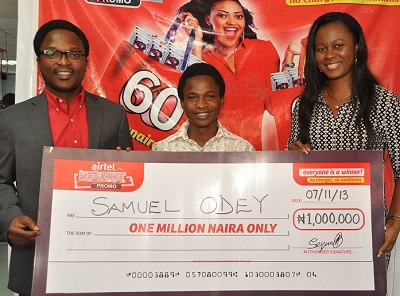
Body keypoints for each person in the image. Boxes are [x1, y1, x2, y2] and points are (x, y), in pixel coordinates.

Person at [0, 19, 132, 296]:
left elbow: (126, 178)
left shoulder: (113, 115)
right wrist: (9, 217)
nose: (65, 62)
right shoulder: (11, 119)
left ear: (85, 61)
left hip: (105, 255)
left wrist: (127, 171)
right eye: (52, 53)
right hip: (38, 253)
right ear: (39, 61)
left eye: (74, 54)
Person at [287, 11, 400, 284]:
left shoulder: (384, 103)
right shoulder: (303, 105)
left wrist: (394, 221)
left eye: (338, 46)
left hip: (367, 229)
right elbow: (292, 173)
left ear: (357, 47)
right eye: (321, 48)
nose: (329, 55)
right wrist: (290, 155)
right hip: (311, 229)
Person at [177, 0, 280, 151]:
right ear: (208, 20)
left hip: (250, 155)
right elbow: (191, 97)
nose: (232, 22)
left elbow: (275, 108)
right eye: (222, 15)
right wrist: (196, 41)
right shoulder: (199, 57)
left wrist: (288, 61)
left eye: (238, 17)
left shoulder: (264, 50)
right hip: (207, 153)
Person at [152, 62, 254, 151]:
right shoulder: (163, 150)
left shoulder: (242, 149)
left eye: (210, 96)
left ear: (221, 99)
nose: (201, 105)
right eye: (192, 97)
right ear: (182, 102)